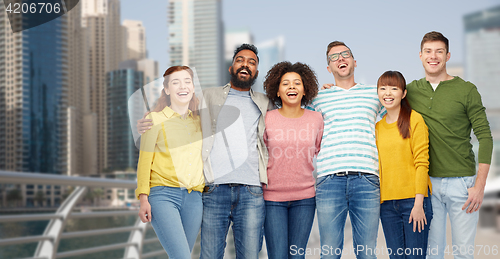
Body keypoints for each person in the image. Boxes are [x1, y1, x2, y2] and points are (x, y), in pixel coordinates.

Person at [137, 44, 271, 259]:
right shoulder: (208, 96)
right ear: (231, 67)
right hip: (209, 190)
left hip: (239, 192)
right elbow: (147, 157)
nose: (245, 64)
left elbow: (291, 111)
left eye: (252, 62)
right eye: (240, 60)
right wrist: (148, 121)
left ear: (256, 71)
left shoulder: (264, 103)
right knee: (202, 255)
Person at [406, 31, 493, 259]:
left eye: (439, 52)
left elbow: (485, 136)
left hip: (462, 185)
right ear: (420, 55)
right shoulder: (411, 90)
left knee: (463, 253)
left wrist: (480, 185)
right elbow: (384, 98)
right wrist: (332, 89)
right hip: (427, 185)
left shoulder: (466, 90)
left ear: (447, 56)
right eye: (428, 51)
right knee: (432, 253)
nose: (433, 56)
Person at [311, 41, 383, 259]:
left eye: (345, 55)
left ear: (354, 62)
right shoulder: (317, 98)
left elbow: (395, 119)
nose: (340, 59)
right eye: (334, 57)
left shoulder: (375, 94)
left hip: (367, 179)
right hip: (329, 180)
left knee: (367, 253)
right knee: (330, 254)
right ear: (328, 68)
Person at [135, 66, 205, 259]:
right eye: (176, 82)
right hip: (163, 196)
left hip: (195, 198)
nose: (183, 86)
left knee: (181, 255)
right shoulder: (154, 120)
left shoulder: (200, 122)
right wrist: (143, 199)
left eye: (187, 81)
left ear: (192, 87)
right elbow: (144, 162)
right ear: (167, 89)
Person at [262, 61, 323, 258]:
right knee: (278, 255)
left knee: (297, 255)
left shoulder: (316, 119)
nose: (291, 87)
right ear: (277, 92)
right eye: (285, 83)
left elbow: (318, 149)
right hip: (271, 199)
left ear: (305, 90)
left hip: (305, 199)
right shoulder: (266, 118)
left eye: (297, 83)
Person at [375, 71, 432, 259]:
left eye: (394, 88)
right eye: (382, 88)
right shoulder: (377, 128)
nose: (388, 93)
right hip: (387, 205)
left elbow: (422, 163)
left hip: (413, 201)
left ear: (403, 93)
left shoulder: (414, 119)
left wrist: (418, 204)